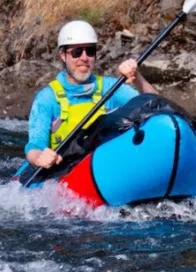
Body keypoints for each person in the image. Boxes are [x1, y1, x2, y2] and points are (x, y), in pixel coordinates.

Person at [22, 20, 156, 174]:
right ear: (63, 56)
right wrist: (39, 157)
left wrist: (137, 76)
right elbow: (34, 146)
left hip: (104, 168)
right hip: (64, 172)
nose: (84, 58)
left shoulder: (111, 88)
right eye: (77, 52)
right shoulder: (47, 98)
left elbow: (155, 105)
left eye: (90, 51)